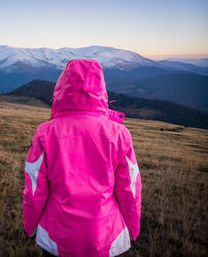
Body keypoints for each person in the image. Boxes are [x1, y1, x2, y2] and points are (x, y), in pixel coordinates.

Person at [22, 59, 142, 257]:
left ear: (61, 87)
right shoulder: (120, 134)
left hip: (56, 237)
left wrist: (30, 227)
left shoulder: (45, 133)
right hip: (106, 237)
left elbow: (34, 190)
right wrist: (133, 229)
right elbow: (130, 190)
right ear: (101, 90)